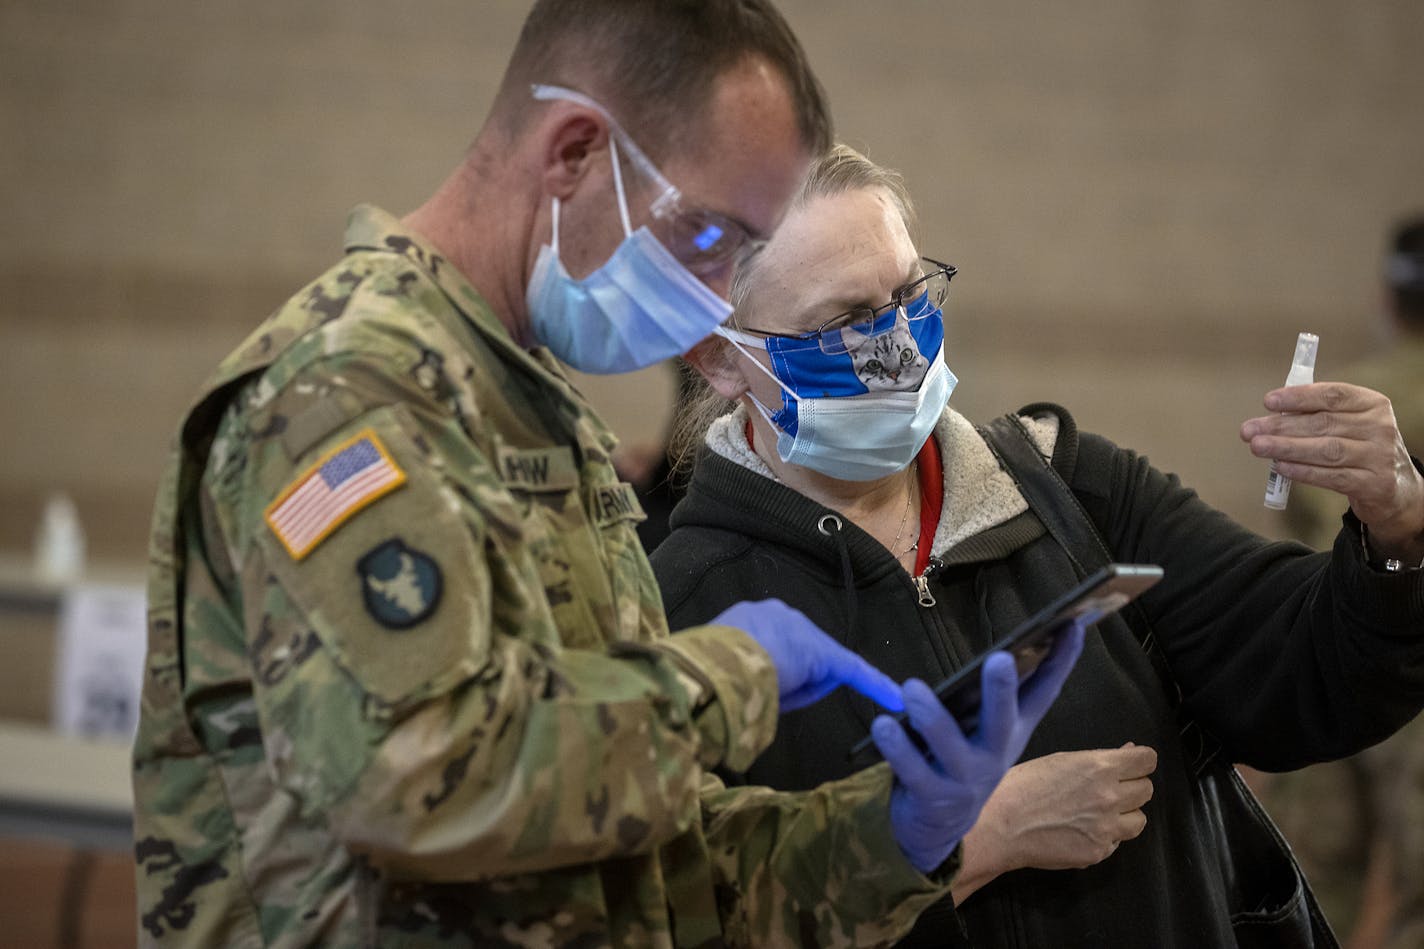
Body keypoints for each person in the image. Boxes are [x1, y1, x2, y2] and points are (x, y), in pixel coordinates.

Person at [130, 4, 1086, 947]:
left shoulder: (533, 406)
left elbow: (649, 872)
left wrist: (900, 830)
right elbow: (422, 783)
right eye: (713, 240)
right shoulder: (345, 393)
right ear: (575, 152)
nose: (719, 300)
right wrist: (727, 674)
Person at [651, 145, 1424, 948]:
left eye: (909, 293)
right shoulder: (681, 611)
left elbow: (1309, 675)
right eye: (844, 322)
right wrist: (974, 840)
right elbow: (684, 912)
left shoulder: (1068, 491)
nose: (896, 342)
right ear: (721, 357)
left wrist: (1396, 532)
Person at [1251, 213, 1424, 949]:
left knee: (1319, 864)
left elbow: (1287, 535)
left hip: (1334, 645)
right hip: (1408, 647)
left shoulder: (1350, 404)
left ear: (1388, 297)